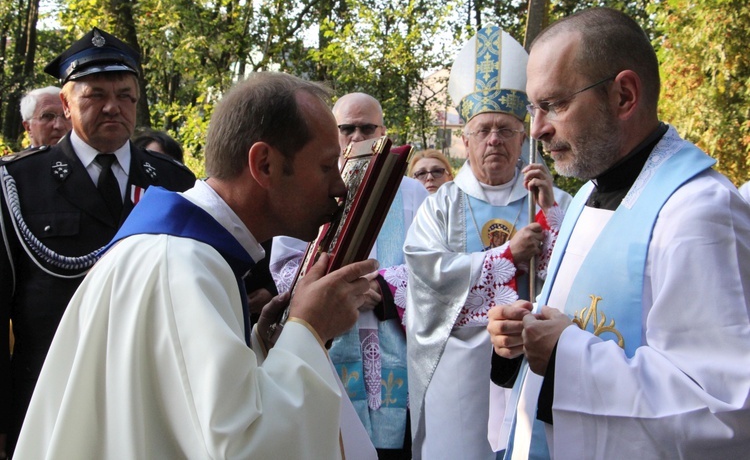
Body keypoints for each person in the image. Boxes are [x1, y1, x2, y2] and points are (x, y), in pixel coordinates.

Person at [14, 72, 381, 459]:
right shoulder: (184, 266)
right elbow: (244, 446)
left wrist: (267, 342)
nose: (340, 188)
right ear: (265, 164)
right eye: (326, 167)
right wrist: (309, 330)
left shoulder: (182, 253)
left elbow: (184, 406)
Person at [488, 7, 750, 459]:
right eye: (534, 107)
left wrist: (567, 355)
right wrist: (523, 337)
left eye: (554, 104)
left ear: (624, 95)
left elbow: (725, 410)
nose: (537, 129)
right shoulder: (589, 194)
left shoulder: (699, 212)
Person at [0, 27, 196, 456]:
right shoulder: (19, 182)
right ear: (66, 104)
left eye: (125, 95)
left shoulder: (174, 182)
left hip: (152, 392)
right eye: (95, 95)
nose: (113, 107)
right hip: (51, 391)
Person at [403, 26, 572, 460]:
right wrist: (505, 256)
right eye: (483, 130)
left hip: (535, 358)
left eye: (505, 129)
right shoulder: (440, 206)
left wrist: (550, 213)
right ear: (465, 140)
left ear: (523, 138)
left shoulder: (552, 199)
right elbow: (426, 279)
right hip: (459, 366)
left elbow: (578, 269)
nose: (494, 138)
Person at [271, 92, 428, 459]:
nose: (357, 138)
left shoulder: (414, 193)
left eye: (367, 128)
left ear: (384, 131)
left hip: (397, 340)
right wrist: (339, 290)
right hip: (330, 342)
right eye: (347, 129)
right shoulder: (310, 189)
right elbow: (285, 266)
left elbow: (433, 265)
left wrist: (384, 287)